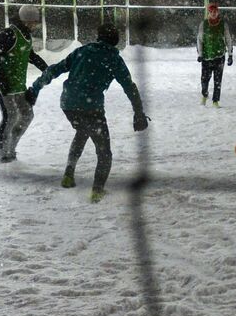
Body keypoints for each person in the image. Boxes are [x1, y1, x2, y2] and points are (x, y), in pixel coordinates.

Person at [24, 21, 149, 203]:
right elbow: (130, 87)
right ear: (115, 41)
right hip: (91, 109)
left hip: (68, 105)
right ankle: (97, 191)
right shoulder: (113, 59)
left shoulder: (81, 52)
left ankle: (68, 174)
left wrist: (34, 89)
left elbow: (54, 70)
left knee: (82, 131)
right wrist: (138, 113)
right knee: (104, 152)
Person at [0, 4, 48, 163]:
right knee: (10, 116)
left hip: (17, 84)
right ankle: (2, 155)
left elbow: (30, 55)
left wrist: (47, 69)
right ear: (27, 20)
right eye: (34, 21)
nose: (36, 24)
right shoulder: (9, 34)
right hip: (1, 84)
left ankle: (11, 149)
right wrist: (1, 80)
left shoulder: (26, 35)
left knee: (27, 115)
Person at [196, 2, 233, 107]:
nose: (213, 13)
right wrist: (200, 54)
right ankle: (204, 94)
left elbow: (228, 39)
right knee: (204, 79)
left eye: (215, 11)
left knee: (218, 80)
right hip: (207, 56)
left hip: (219, 56)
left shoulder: (223, 24)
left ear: (218, 12)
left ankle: (215, 101)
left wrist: (230, 54)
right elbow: (199, 39)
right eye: (211, 11)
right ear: (208, 12)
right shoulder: (204, 24)